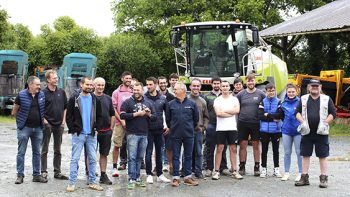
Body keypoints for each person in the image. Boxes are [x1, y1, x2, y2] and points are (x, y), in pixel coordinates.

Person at [295, 79, 336, 188]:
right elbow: (297, 112)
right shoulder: (303, 99)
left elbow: (333, 113)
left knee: (323, 156)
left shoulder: (326, 99)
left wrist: (325, 122)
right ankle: (304, 178)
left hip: (321, 132)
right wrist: (302, 122)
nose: (314, 87)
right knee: (305, 155)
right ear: (309, 87)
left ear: (320, 87)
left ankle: (323, 178)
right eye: (312, 86)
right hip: (306, 131)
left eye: (316, 86)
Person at [66, 76, 103, 192]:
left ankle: (92, 182)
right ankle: (71, 183)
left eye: (91, 85)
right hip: (79, 134)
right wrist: (73, 129)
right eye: (87, 84)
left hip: (91, 134)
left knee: (92, 159)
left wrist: (97, 128)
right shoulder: (74, 99)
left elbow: (100, 116)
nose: (90, 87)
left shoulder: (95, 99)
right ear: (81, 85)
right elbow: (69, 116)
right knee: (75, 159)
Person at [120, 82, 156, 190]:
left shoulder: (148, 102)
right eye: (134, 90)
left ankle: (138, 177)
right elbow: (122, 115)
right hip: (132, 134)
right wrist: (136, 114)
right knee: (132, 157)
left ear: (142, 90)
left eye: (138, 90)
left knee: (140, 157)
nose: (135, 92)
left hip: (144, 134)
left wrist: (149, 114)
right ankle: (131, 178)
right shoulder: (127, 102)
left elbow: (154, 118)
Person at [12, 76, 47, 184]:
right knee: (21, 152)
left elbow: (42, 109)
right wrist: (19, 123)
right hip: (24, 128)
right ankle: (20, 175)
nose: (39, 86)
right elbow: (15, 110)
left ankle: (36, 175)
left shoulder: (41, 94)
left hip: (38, 129)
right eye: (37, 84)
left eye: (39, 84)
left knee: (37, 152)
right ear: (30, 84)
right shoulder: (21, 95)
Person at [166, 82, 199, 187]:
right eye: (174, 89)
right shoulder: (170, 104)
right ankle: (176, 178)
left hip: (189, 134)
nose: (174, 91)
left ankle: (187, 177)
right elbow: (168, 120)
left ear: (183, 90)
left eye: (175, 89)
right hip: (175, 134)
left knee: (188, 156)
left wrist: (189, 128)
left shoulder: (192, 104)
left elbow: (196, 119)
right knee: (176, 156)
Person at [211, 80, 243, 180]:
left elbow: (237, 111)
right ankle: (216, 171)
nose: (225, 88)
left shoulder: (234, 99)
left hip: (232, 128)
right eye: (223, 86)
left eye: (226, 86)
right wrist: (230, 113)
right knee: (220, 148)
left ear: (230, 87)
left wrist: (224, 111)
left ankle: (234, 170)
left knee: (233, 149)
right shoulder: (217, 100)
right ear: (220, 87)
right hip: (221, 128)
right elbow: (218, 113)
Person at [40, 70, 68, 181]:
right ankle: (43, 171)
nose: (56, 79)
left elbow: (65, 107)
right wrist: (45, 121)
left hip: (59, 125)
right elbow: (39, 108)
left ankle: (57, 172)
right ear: (48, 80)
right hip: (47, 125)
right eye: (54, 78)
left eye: (57, 78)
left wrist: (63, 121)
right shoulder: (42, 93)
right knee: (44, 149)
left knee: (58, 149)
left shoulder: (62, 92)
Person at [236, 73, 266, 176]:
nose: (250, 82)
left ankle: (257, 166)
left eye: (252, 80)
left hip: (256, 123)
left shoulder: (261, 94)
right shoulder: (241, 94)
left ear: (255, 81)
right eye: (248, 80)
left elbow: (266, 106)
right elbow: (236, 107)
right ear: (246, 82)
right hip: (243, 122)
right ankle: (242, 166)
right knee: (242, 145)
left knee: (256, 145)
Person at [144, 77, 171, 184]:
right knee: (148, 152)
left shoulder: (163, 98)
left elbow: (168, 114)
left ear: (156, 85)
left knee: (159, 152)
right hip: (147, 129)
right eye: (147, 85)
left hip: (159, 129)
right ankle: (149, 174)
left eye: (150, 84)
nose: (149, 86)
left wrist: (168, 126)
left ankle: (160, 174)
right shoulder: (144, 98)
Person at [203, 77, 230, 177]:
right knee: (210, 147)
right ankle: (209, 168)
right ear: (211, 84)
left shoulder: (226, 96)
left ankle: (223, 167)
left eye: (218, 83)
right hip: (211, 125)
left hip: (223, 124)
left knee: (223, 146)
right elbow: (204, 112)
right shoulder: (207, 97)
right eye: (214, 83)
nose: (216, 85)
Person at [93, 77, 115, 185]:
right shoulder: (90, 98)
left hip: (106, 131)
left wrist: (111, 128)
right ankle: (90, 174)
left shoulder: (108, 98)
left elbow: (112, 114)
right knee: (91, 154)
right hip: (93, 131)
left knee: (104, 154)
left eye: (102, 85)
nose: (100, 87)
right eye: (98, 85)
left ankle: (103, 174)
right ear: (94, 85)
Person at [258, 83, 282, 178]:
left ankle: (276, 169)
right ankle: (264, 169)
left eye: (273, 90)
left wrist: (267, 114)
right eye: (269, 91)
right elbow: (260, 115)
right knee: (264, 150)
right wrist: (273, 117)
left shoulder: (279, 101)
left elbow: (280, 116)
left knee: (276, 150)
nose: (271, 92)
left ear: (275, 91)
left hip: (276, 130)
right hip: (264, 130)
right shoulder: (262, 102)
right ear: (266, 91)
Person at [111, 71, 133, 176]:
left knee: (132, 145)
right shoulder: (116, 92)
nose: (128, 80)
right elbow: (114, 108)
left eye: (130, 78)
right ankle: (114, 167)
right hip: (120, 123)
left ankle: (132, 168)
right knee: (117, 145)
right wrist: (121, 120)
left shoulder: (134, 91)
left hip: (133, 122)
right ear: (122, 79)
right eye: (126, 78)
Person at [280, 83, 302, 181]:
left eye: (293, 92)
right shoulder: (283, 103)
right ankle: (287, 172)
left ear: (296, 92)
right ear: (287, 92)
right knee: (287, 153)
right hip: (286, 131)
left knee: (299, 152)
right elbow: (281, 116)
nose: (291, 93)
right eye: (289, 92)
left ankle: (301, 173)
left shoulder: (301, 102)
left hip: (298, 132)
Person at [188, 78, 209, 179]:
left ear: (200, 87)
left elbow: (206, 117)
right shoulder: (186, 99)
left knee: (198, 152)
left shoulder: (203, 101)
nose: (196, 88)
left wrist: (204, 127)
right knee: (187, 152)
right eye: (194, 86)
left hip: (198, 131)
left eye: (197, 86)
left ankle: (198, 171)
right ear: (190, 87)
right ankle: (186, 171)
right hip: (187, 131)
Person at [158, 76, 175, 173]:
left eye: (164, 83)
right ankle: (158, 166)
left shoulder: (171, 97)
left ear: (167, 83)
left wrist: (169, 126)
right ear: (158, 84)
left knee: (169, 147)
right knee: (158, 147)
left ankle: (170, 165)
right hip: (158, 126)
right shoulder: (155, 96)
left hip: (168, 126)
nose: (163, 84)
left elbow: (173, 113)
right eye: (161, 83)